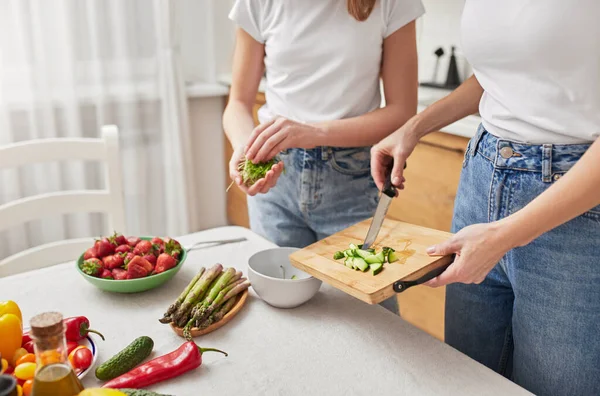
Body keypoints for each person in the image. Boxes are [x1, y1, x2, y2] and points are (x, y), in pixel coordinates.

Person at [370, 1, 600, 394]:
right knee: (465, 376)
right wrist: (415, 127)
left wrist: (507, 234)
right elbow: (495, 79)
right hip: (481, 176)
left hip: (570, 207)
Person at [223, 0, 425, 314]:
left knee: (372, 321)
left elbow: (401, 111)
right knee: (281, 311)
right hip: (276, 182)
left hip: (353, 182)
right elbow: (237, 101)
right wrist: (243, 148)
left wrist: (313, 132)